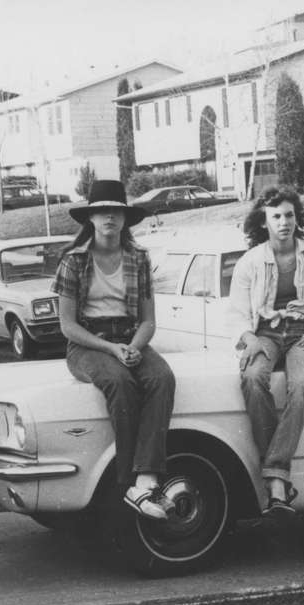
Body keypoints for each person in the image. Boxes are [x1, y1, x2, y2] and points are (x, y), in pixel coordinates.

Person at [52, 179, 177, 521]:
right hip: (87, 345)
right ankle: (126, 484)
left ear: (125, 218)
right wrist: (111, 349)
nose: (109, 217)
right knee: (120, 382)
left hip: (130, 338)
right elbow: (68, 326)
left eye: (116, 212)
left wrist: (134, 347)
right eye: (102, 211)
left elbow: (149, 321)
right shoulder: (73, 261)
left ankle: (146, 480)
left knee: (162, 377)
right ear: (90, 218)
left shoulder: (138, 258)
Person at [228, 186, 304, 517]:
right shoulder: (250, 262)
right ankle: (278, 479)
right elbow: (237, 311)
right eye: (276, 216)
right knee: (253, 377)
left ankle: (276, 480)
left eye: (289, 215)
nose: (284, 222)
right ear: (263, 222)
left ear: (297, 218)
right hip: (265, 333)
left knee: (301, 388)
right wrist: (249, 338)